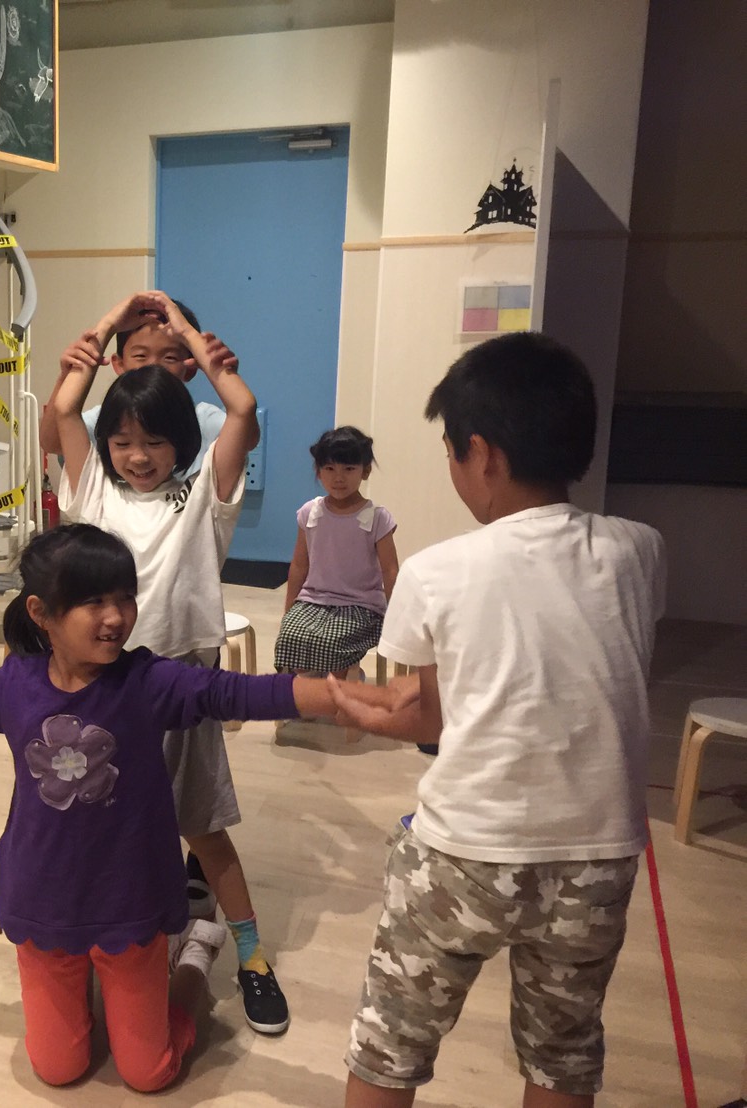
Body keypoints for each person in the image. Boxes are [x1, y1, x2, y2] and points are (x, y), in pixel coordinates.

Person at [0, 524, 386, 1091]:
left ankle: (195, 954)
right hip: (43, 902)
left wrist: (345, 697)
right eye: (93, 602)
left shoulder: (148, 681)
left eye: (124, 598)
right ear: (41, 613)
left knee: (149, 1073)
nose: (116, 616)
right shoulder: (13, 685)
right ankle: (96, 984)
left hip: (130, 900)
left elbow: (238, 692)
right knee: (57, 1069)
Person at [327, 332, 668, 1108]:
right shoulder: (640, 551)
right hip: (598, 857)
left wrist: (353, 706)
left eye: (450, 452)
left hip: (466, 851)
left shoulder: (435, 571)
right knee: (563, 1054)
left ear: (481, 454)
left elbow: (429, 717)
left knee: (390, 1042)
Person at [52, 291, 292, 1037]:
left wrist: (187, 333)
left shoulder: (202, 495)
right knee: (104, 823)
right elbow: (65, 408)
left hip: (179, 685)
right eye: (124, 441)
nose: (138, 456)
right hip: (103, 688)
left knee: (203, 828)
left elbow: (242, 409)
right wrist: (105, 325)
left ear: (182, 443)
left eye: (155, 442)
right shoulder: (92, 488)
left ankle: (251, 955)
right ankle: (113, 943)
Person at [39, 293, 240, 476]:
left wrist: (222, 373)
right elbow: (53, 442)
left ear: (190, 368)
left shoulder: (206, 421)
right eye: (140, 356)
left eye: (169, 357)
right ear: (119, 364)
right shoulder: (107, 421)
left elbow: (245, 429)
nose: (153, 366)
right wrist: (69, 372)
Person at [274, 426, 399, 681]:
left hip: (361, 605)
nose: (338, 478)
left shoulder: (376, 517)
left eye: (349, 469)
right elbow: (299, 565)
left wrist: (397, 615)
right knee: (290, 635)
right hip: (314, 600)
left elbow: (390, 570)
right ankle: (311, 689)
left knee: (333, 642)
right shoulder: (310, 513)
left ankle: (341, 685)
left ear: (365, 471)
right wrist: (289, 609)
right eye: (329, 468)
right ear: (318, 471)